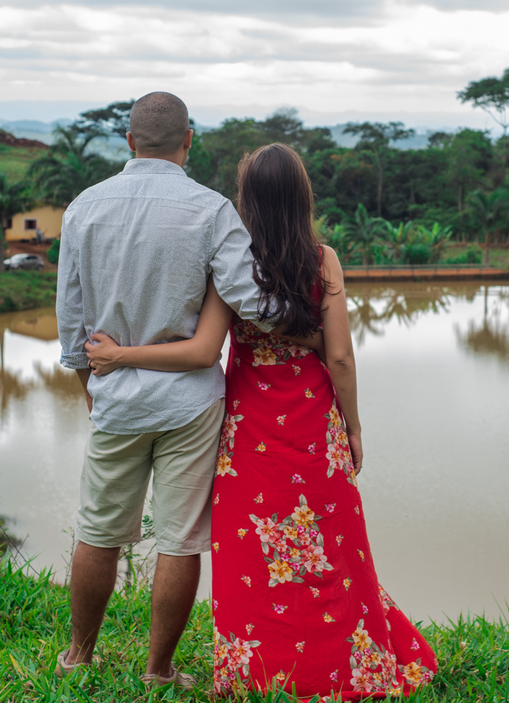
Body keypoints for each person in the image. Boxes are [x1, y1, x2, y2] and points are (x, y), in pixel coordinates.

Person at [85, 143, 437, 698]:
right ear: (302, 196)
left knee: (252, 555)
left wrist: (121, 355)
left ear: (246, 199)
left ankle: (254, 673)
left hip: (249, 433)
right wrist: (353, 427)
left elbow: (202, 349)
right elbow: (341, 357)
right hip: (315, 428)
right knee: (332, 552)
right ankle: (345, 668)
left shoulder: (233, 264)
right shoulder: (323, 260)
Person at [55, 92, 293, 688]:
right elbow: (251, 302)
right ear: (188, 141)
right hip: (190, 402)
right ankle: (158, 671)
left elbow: (71, 319)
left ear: (129, 141)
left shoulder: (83, 208)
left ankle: (79, 657)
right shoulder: (211, 210)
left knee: (97, 532)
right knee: (180, 540)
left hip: (116, 398)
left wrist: (93, 389)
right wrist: (308, 312)